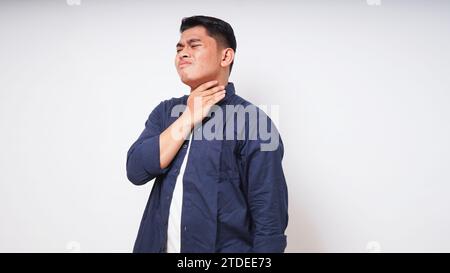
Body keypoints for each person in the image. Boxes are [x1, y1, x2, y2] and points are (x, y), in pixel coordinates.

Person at [126, 15, 288, 253]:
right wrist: (188, 117)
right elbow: (136, 170)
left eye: (194, 45)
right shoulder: (165, 113)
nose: (182, 53)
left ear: (225, 56)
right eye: (179, 48)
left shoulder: (254, 122)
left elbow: (269, 221)